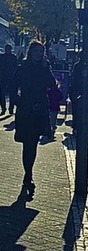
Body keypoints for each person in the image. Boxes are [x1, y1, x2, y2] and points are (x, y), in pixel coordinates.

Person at [14, 40, 56, 197]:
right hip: (26, 109)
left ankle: (28, 174)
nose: (39, 54)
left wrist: (46, 69)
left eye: (41, 51)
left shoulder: (44, 68)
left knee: (33, 143)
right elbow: (13, 86)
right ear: (30, 52)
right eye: (36, 51)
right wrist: (18, 102)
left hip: (40, 109)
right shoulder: (22, 67)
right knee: (27, 144)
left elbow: (52, 85)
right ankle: (28, 174)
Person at [0, 44, 18, 115]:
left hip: (7, 77)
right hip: (6, 77)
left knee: (9, 94)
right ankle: (6, 108)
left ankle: (8, 108)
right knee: (7, 94)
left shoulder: (3, 57)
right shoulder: (12, 57)